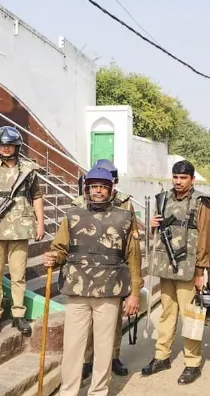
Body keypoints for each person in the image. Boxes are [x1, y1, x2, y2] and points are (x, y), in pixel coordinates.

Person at [44, 167, 142, 396]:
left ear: (111, 190)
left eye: (103, 187)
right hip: (77, 291)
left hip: (109, 292)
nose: (98, 191)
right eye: (94, 187)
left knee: (104, 348)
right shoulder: (72, 215)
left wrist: (134, 293)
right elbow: (60, 249)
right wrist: (53, 258)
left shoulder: (125, 218)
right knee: (72, 349)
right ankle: (68, 391)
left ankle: (98, 391)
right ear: (87, 189)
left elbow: (134, 259)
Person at [141, 160, 210, 385]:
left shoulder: (202, 202)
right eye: (175, 177)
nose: (178, 182)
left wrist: (200, 271)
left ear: (192, 179)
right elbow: (154, 233)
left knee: (190, 315)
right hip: (166, 266)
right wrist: (152, 225)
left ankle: (192, 362)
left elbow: (205, 238)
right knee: (166, 313)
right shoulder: (163, 199)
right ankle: (162, 356)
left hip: (189, 268)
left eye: (183, 178)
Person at [0, 126, 44, 336]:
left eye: (9, 145)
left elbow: (37, 196)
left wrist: (40, 222)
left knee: (18, 274)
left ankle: (18, 314)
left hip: (20, 227)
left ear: (16, 147)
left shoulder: (28, 170)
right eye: (2, 145)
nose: (5, 148)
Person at [73, 158, 134, 378]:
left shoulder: (125, 203)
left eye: (108, 181)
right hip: (85, 269)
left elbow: (131, 240)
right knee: (87, 322)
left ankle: (113, 356)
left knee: (114, 320)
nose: (101, 188)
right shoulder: (79, 203)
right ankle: (88, 359)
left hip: (114, 268)